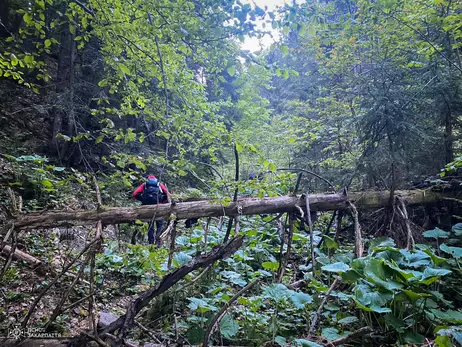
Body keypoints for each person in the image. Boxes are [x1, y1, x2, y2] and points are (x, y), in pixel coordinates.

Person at [132, 175, 170, 245]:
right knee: (159, 225)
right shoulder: (159, 184)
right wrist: (162, 201)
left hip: (147, 208)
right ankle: (158, 243)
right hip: (159, 207)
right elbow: (167, 195)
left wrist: (143, 200)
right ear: (155, 179)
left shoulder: (145, 184)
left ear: (148, 179)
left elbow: (135, 194)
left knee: (150, 226)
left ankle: (151, 244)